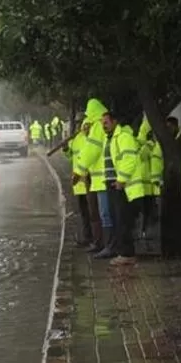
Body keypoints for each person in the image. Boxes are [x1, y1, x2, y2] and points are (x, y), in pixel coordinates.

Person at [95, 111, 144, 264]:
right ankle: (122, 252)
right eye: (102, 123)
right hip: (112, 184)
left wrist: (121, 180)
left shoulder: (124, 138)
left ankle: (127, 254)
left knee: (123, 220)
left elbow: (129, 160)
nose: (104, 126)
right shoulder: (109, 139)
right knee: (117, 219)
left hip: (122, 186)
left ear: (115, 122)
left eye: (106, 122)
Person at [73, 98, 110, 254]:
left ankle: (105, 245)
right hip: (96, 178)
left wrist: (79, 171)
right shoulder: (99, 126)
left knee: (103, 214)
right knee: (99, 213)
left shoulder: (98, 127)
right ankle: (101, 243)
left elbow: (91, 151)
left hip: (102, 179)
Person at [63, 119, 95, 247]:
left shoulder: (91, 139)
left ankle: (93, 238)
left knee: (92, 212)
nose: (84, 127)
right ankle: (87, 237)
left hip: (89, 180)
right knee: (84, 212)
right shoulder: (75, 140)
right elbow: (72, 157)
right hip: (79, 183)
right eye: (83, 125)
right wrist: (66, 150)